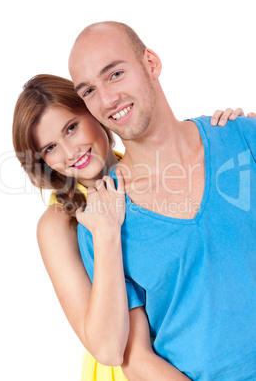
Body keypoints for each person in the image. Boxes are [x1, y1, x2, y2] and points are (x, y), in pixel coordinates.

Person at [12, 73, 248, 381]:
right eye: (50, 148)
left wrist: (232, 136)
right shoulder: (59, 223)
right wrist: (106, 232)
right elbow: (108, 349)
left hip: (192, 360)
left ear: (94, 111)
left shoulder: (151, 165)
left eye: (72, 128)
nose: (71, 153)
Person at [68, 21, 256, 380]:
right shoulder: (105, 218)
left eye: (116, 74)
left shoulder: (242, 137)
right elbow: (133, 358)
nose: (107, 100)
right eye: (89, 91)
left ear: (150, 63)